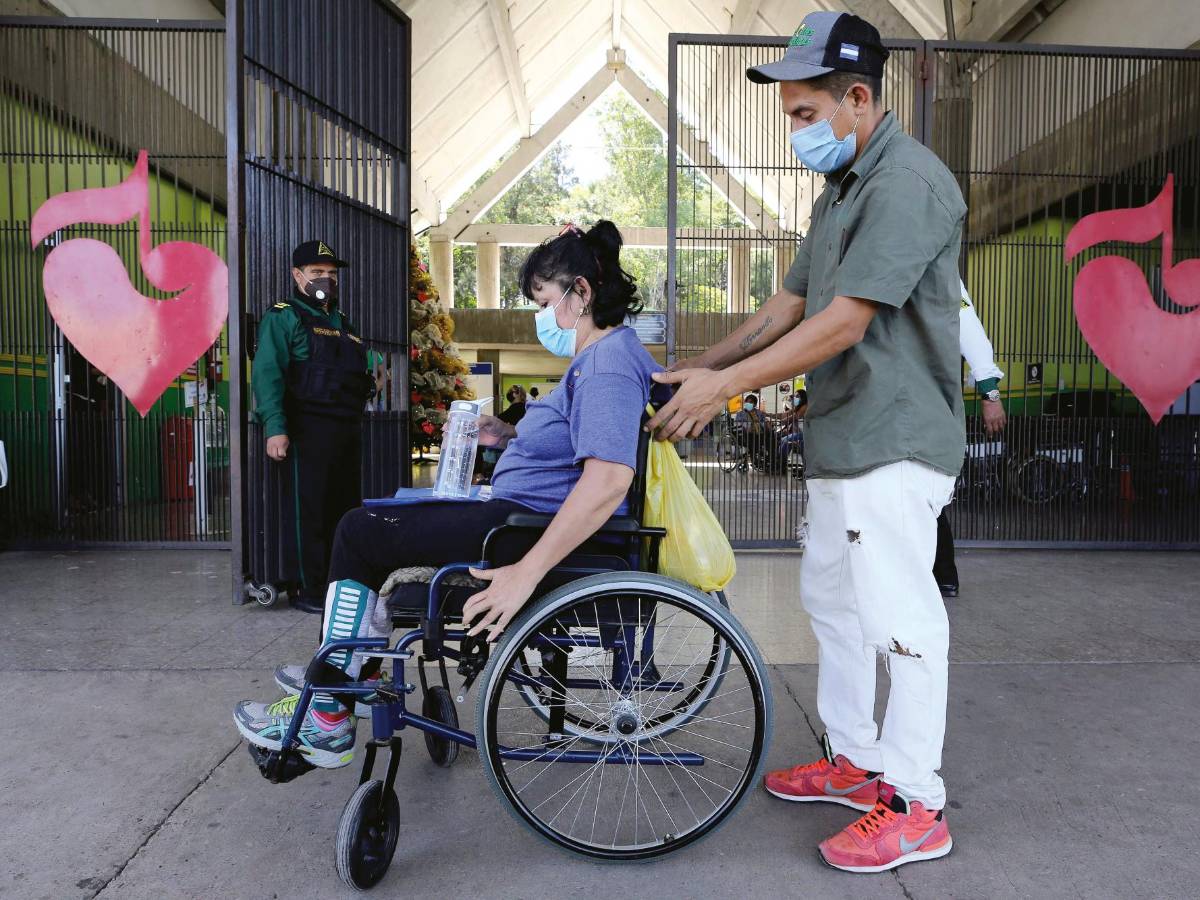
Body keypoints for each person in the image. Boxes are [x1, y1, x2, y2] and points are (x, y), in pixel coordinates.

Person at [646, 11, 965, 872]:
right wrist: (695, 368)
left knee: (903, 624)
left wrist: (727, 388)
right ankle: (858, 761)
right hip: (841, 439)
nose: (794, 131)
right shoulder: (840, 193)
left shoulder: (908, 184)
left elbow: (844, 323)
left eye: (802, 114)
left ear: (858, 99)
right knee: (836, 610)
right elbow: (785, 309)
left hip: (894, 443)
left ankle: (917, 802)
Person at [233, 221, 661, 768]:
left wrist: (525, 571)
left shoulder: (605, 365)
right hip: (516, 515)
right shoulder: (604, 357)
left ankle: (331, 708)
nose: (543, 318)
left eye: (546, 301)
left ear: (581, 292)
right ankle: (343, 673)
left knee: (359, 531)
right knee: (385, 513)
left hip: (523, 531)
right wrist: (509, 435)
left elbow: (606, 482)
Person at [251, 240, 376, 614]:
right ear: (297, 275)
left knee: (343, 509)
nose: (326, 279)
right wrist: (275, 426)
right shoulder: (284, 316)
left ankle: (338, 586)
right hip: (307, 428)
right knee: (310, 512)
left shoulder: (343, 323)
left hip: (345, 430)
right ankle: (308, 588)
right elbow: (268, 373)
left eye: (332, 274)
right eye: (318, 273)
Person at [935, 280, 1007, 598]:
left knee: (928, 497)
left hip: (929, 402)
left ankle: (943, 575)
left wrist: (990, 392)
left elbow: (969, 326)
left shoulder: (942, 271)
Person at [733, 393, 785, 473]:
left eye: (751, 402)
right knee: (752, 438)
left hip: (760, 434)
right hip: (747, 434)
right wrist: (747, 426)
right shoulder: (740, 414)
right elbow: (737, 424)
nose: (748, 404)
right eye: (747, 402)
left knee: (771, 437)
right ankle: (755, 460)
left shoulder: (759, 413)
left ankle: (771, 461)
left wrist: (767, 424)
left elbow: (764, 422)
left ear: (754, 404)